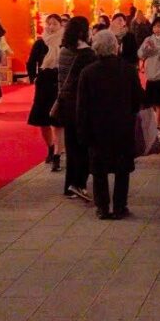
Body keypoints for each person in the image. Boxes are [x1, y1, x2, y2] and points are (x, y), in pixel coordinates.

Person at [77, 30, 143, 219]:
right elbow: (138, 98)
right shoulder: (128, 70)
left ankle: (103, 207)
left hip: (97, 128)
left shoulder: (88, 72)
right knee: (122, 170)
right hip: (122, 126)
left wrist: (82, 131)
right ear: (116, 46)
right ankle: (120, 206)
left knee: (99, 170)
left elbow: (82, 106)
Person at [56, 16, 95, 199]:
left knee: (71, 146)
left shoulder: (64, 50)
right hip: (82, 105)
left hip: (66, 103)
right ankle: (79, 183)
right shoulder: (87, 54)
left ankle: (69, 185)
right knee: (84, 146)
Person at [27, 14, 64, 167]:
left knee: (58, 120)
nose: (51, 26)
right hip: (43, 82)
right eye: (48, 23)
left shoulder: (65, 42)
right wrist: (34, 77)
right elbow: (31, 62)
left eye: (54, 23)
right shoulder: (40, 43)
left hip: (59, 81)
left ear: (60, 25)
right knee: (43, 119)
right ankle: (50, 147)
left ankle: (58, 152)